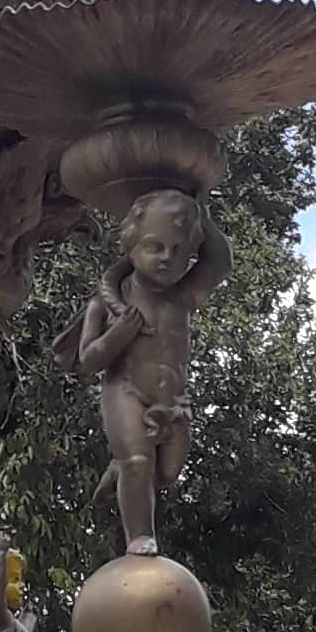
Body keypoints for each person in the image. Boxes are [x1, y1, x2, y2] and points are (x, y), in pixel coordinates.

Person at [62, 186, 232, 555]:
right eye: (155, 247)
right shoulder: (109, 303)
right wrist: (119, 335)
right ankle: (139, 535)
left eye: (178, 251)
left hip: (174, 399)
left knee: (166, 474)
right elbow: (89, 361)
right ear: (132, 245)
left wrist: (202, 212)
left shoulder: (183, 297)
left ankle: (121, 469)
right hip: (125, 391)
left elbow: (219, 264)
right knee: (138, 462)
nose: (167, 258)